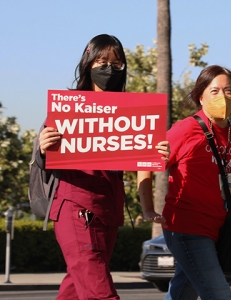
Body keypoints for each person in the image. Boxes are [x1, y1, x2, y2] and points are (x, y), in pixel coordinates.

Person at [36, 34, 169, 300]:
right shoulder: (68, 108)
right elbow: (44, 157)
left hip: (109, 212)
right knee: (100, 292)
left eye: (117, 63)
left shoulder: (133, 112)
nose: (109, 69)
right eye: (101, 61)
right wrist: (42, 146)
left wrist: (147, 205)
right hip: (76, 210)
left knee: (76, 289)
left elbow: (142, 162)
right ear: (88, 64)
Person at [137, 65, 231, 300]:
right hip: (187, 227)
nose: (222, 96)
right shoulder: (185, 129)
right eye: (214, 91)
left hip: (220, 228)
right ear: (200, 96)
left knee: (182, 293)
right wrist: (147, 209)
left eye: (228, 91)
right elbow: (145, 161)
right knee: (219, 295)